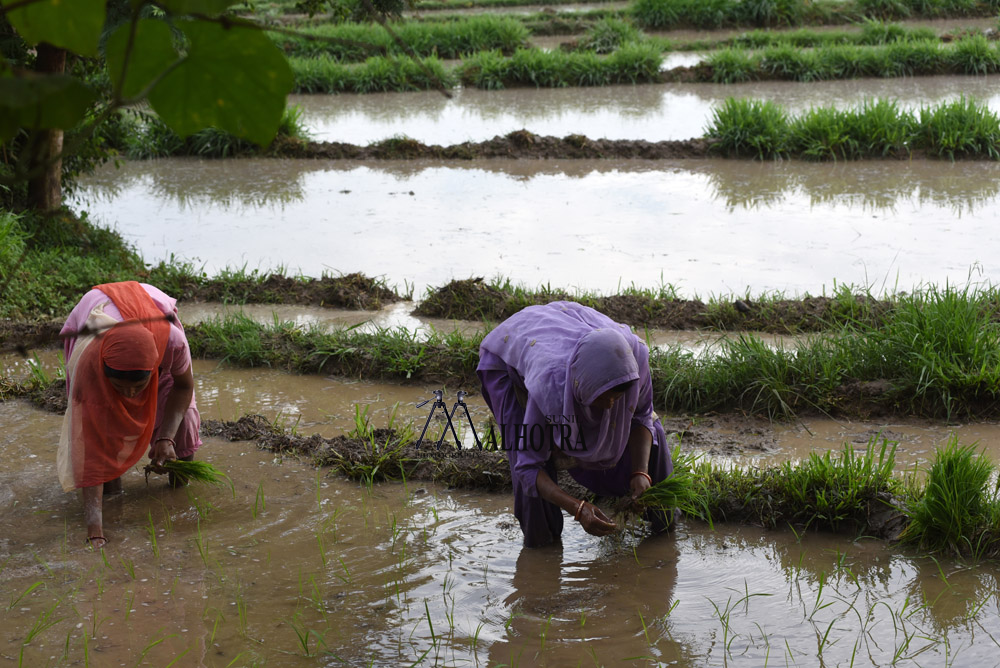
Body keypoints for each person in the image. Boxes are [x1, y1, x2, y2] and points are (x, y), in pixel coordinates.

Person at [477, 301, 673, 548]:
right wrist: (578, 509)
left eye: (618, 396)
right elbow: (527, 467)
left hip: (571, 328)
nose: (611, 406)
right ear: (581, 385)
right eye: (604, 397)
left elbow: (642, 416)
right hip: (512, 353)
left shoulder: (636, 361)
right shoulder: (550, 385)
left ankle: (663, 527)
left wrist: (640, 472)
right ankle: (542, 547)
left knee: (655, 431)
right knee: (528, 445)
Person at [57, 281, 202, 548]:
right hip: (97, 324)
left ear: (154, 371)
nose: (131, 393)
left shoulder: (172, 342)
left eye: (139, 386)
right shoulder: (90, 365)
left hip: (152, 326)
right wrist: (95, 530)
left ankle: (178, 489)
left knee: (185, 422)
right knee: (104, 429)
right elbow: (91, 444)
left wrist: (166, 438)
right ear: (104, 372)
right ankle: (111, 496)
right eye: (121, 387)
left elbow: (184, 386)